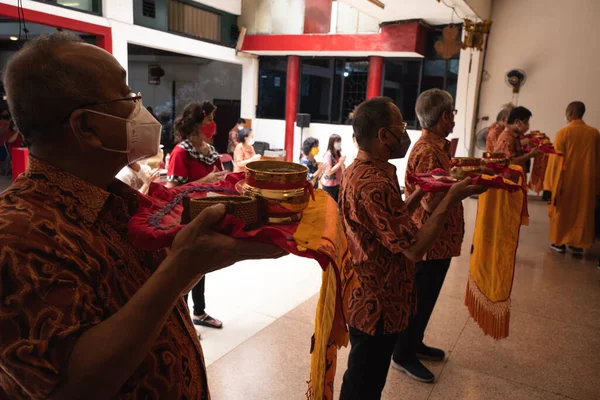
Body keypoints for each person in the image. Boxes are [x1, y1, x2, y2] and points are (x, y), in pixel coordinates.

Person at [0, 32, 285, 399]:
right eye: (128, 97)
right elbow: (74, 387)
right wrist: (180, 265)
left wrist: (203, 255)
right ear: (86, 126)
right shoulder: (17, 234)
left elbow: (147, 299)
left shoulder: (115, 200)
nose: (141, 108)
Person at [338, 96, 485, 400]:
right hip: (376, 301)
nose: (405, 133)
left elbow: (389, 220)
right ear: (383, 136)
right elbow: (414, 249)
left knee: (365, 376)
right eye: (399, 127)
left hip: (374, 292)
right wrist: (451, 198)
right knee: (364, 381)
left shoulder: (367, 169)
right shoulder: (373, 183)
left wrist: (421, 191)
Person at [392, 89, 465, 383]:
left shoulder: (437, 148)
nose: (453, 120)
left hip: (440, 240)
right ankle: (402, 353)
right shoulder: (427, 151)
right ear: (445, 116)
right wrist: (459, 186)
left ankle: (415, 342)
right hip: (428, 240)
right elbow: (430, 202)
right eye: (452, 114)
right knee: (418, 297)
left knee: (427, 297)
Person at [167, 100, 228, 331]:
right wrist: (203, 182)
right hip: (185, 218)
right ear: (196, 124)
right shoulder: (181, 152)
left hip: (207, 215)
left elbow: (220, 179)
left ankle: (199, 312)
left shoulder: (211, 151)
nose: (213, 125)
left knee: (201, 267)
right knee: (184, 270)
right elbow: (172, 191)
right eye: (209, 120)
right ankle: (180, 319)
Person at [548, 101, 600, 254]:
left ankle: (559, 242)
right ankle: (577, 244)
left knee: (563, 211)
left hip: (567, 180)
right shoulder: (594, 133)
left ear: (569, 114)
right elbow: (598, 159)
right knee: (583, 211)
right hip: (587, 180)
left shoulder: (563, 133)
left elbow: (555, 161)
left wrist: (550, 185)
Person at [321, 134, 346, 202]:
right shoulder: (328, 155)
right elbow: (329, 172)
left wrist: (342, 164)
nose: (339, 144)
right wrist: (339, 163)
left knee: (337, 205)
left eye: (339, 141)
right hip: (329, 186)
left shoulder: (339, 154)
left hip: (338, 184)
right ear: (332, 143)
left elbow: (343, 169)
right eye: (337, 142)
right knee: (329, 206)